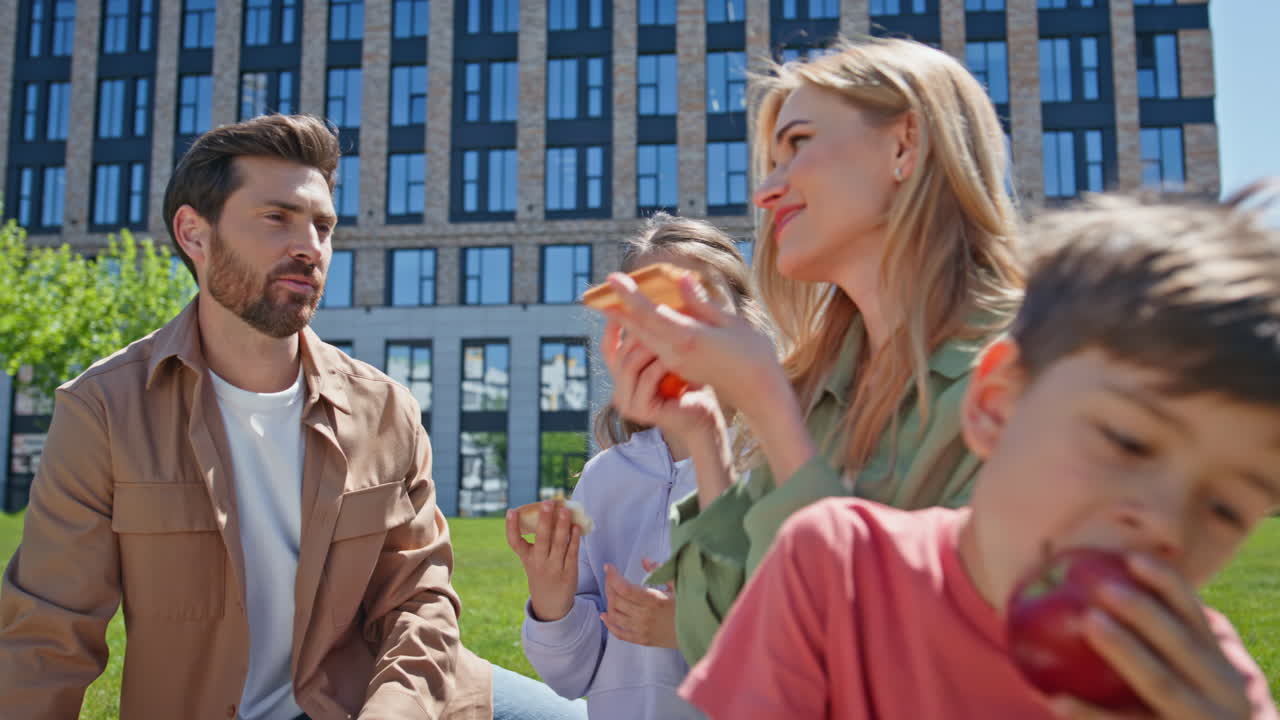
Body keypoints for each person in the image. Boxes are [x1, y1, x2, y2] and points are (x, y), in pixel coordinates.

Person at [679, 192, 1280, 719]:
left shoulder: (1209, 690)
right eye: (1128, 442)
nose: (1166, 524)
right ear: (995, 405)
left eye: (1226, 510)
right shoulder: (834, 567)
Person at [0, 114, 493, 719]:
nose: (310, 247)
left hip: (376, 700)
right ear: (194, 234)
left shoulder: (387, 409)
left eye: (323, 226)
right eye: (277, 217)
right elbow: (48, 635)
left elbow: (419, 603)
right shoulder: (104, 410)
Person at [601, 36, 1024, 664]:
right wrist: (705, 435)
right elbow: (730, 637)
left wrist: (768, 408)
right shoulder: (819, 383)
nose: (765, 192)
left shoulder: (1032, 373)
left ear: (904, 145)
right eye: (770, 162)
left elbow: (874, 652)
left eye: (797, 144)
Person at [506, 214, 770, 719]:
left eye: (697, 303)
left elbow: (807, 646)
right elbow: (572, 677)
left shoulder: (778, 463)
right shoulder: (605, 477)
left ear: (744, 320)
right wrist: (553, 605)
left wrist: (690, 628)